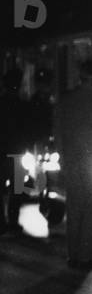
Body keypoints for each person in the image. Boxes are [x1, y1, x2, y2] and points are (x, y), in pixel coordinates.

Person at [53, 60, 92, 269]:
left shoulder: (65, 101)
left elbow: (58, 134)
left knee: (74, 208)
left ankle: (73, 255)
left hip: (73, 161)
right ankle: (86, 256)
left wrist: (63, 158)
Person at [0, 69, 29, 235]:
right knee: (17, 188)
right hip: (16, 151)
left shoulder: (4, 104)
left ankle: (3, 221)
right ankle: (12, 220)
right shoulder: (21, 105)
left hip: (3, 150)